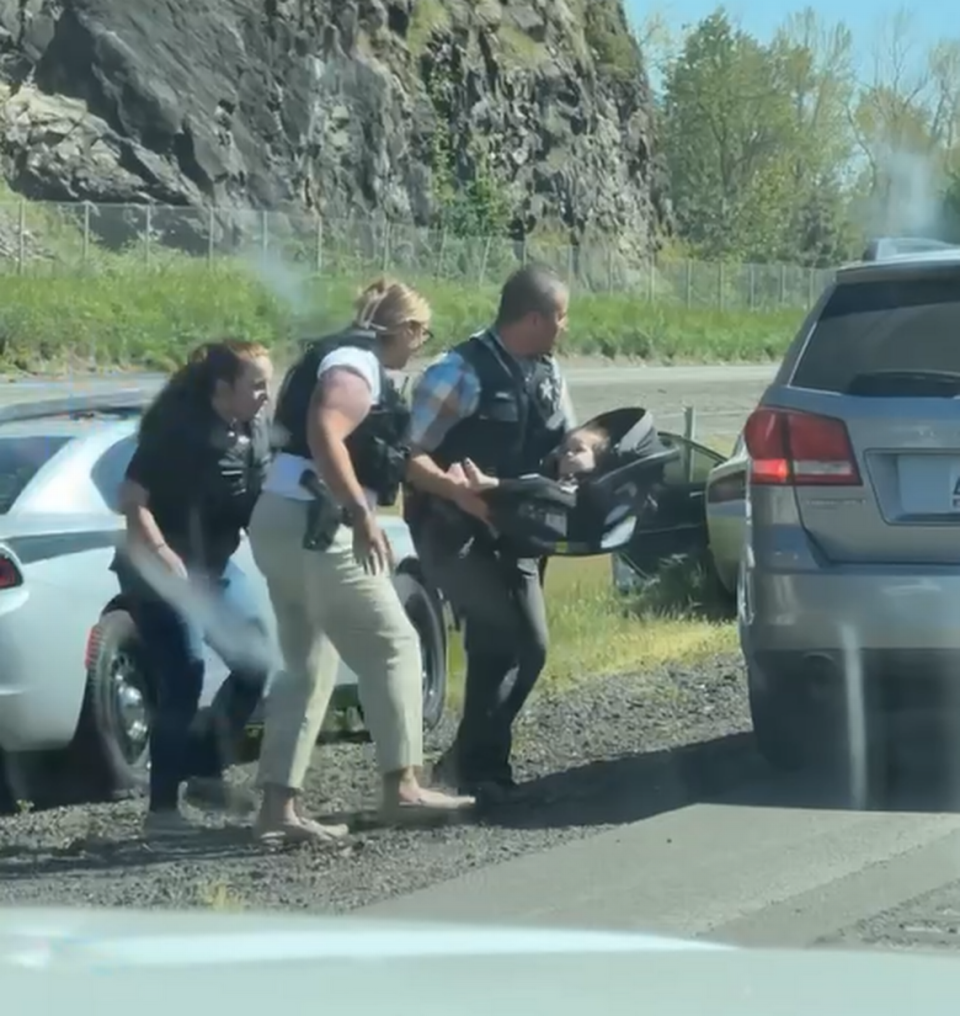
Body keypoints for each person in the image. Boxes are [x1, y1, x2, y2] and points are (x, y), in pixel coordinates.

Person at [247, 276, 476, 845]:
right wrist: (361, 513)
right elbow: (325, 431)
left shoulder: (333, 355)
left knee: (307, 663)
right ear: (403, 329)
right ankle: (404, 786)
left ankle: (279, 807)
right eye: (421, 334)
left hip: (279, 516)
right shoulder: (358, 364)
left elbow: (376, 453)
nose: (420, 346)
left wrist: (451, 488)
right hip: (318, 522)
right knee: (395, 644)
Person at [404, 263, 577, 805]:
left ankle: (466, 759)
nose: (565, 328)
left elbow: (569, 434)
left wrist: (580, 449)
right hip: (452, 530)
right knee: (498, 637)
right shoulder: (457, 372)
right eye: (560, 317)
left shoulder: (548, 372)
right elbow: (406, 453)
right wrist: (454, 490)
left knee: (531, 647)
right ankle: (483, 770)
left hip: (521, 531)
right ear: (533, 317)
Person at [114, 339, 275, 839]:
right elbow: (132, 500)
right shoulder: (177, 432)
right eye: (257, 385)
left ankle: (204, 769)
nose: (266, 395)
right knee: (185, 673)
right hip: (159, 568)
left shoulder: (254, 431)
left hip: (215, 568)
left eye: (269, 383)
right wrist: (163, 553)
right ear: (223, 388)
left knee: (256, 663)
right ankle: (162, 811)